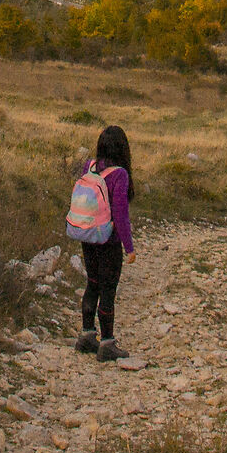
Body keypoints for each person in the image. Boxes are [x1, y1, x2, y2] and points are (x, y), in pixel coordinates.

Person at [75, 124, 134, 361]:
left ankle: (87, 335)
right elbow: (120, 214)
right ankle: (107, 343)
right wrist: (128, 247)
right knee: (108, 288)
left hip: (87, 236)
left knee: (92, 282)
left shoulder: (89, 166)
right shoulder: (119, 174)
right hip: (108, 239)